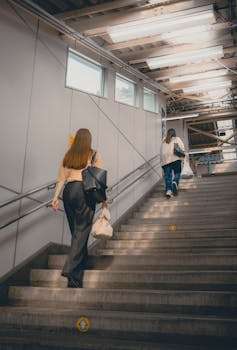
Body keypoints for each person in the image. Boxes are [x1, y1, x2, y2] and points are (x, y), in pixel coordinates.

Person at [52, 128, 107, 287]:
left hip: (68, 193)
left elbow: (61, 179)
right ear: (89, 140)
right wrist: (104, 202)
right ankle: (70, 268)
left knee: (77, 232)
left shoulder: (68, 155)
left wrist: (55, 197)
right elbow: (100, 181)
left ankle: (75, 278)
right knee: (81, 231)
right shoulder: (94, 155)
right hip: (84, 193)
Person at [160, 128, 185, 198]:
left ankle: (168, 190)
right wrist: (183, 158)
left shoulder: (164, 140)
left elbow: (161, 152)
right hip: (176, 159)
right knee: (177, 173)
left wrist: (161, 162)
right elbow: (182, 148)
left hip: (166, 161)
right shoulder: (177, 139)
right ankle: (175, 182)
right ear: (174, 133)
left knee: (168, 176)